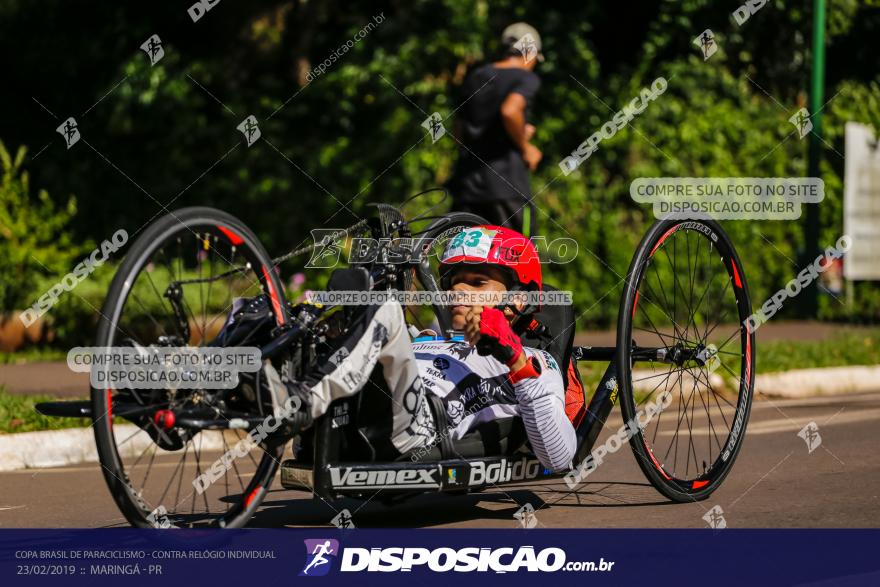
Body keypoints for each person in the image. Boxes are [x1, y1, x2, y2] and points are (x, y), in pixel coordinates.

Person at [280, 225, 576, 473]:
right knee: (267, 314)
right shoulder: (427, 337)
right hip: (349, 417)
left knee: (384, 308)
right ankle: (259, 388)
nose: (458, 290)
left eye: (477, 282)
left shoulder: (535, 362)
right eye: (454, 281)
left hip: (420, 427)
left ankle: (300, 402)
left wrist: (514, 357)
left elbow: (559, 458)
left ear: (520, 300)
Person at [447, 23, 545, 237]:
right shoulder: (525, 77)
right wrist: (525, 146)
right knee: (517, 263)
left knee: (461, 261)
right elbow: (510, 111)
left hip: (467, 189)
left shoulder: (475, 76)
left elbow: (458, 132)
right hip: (507, 189)